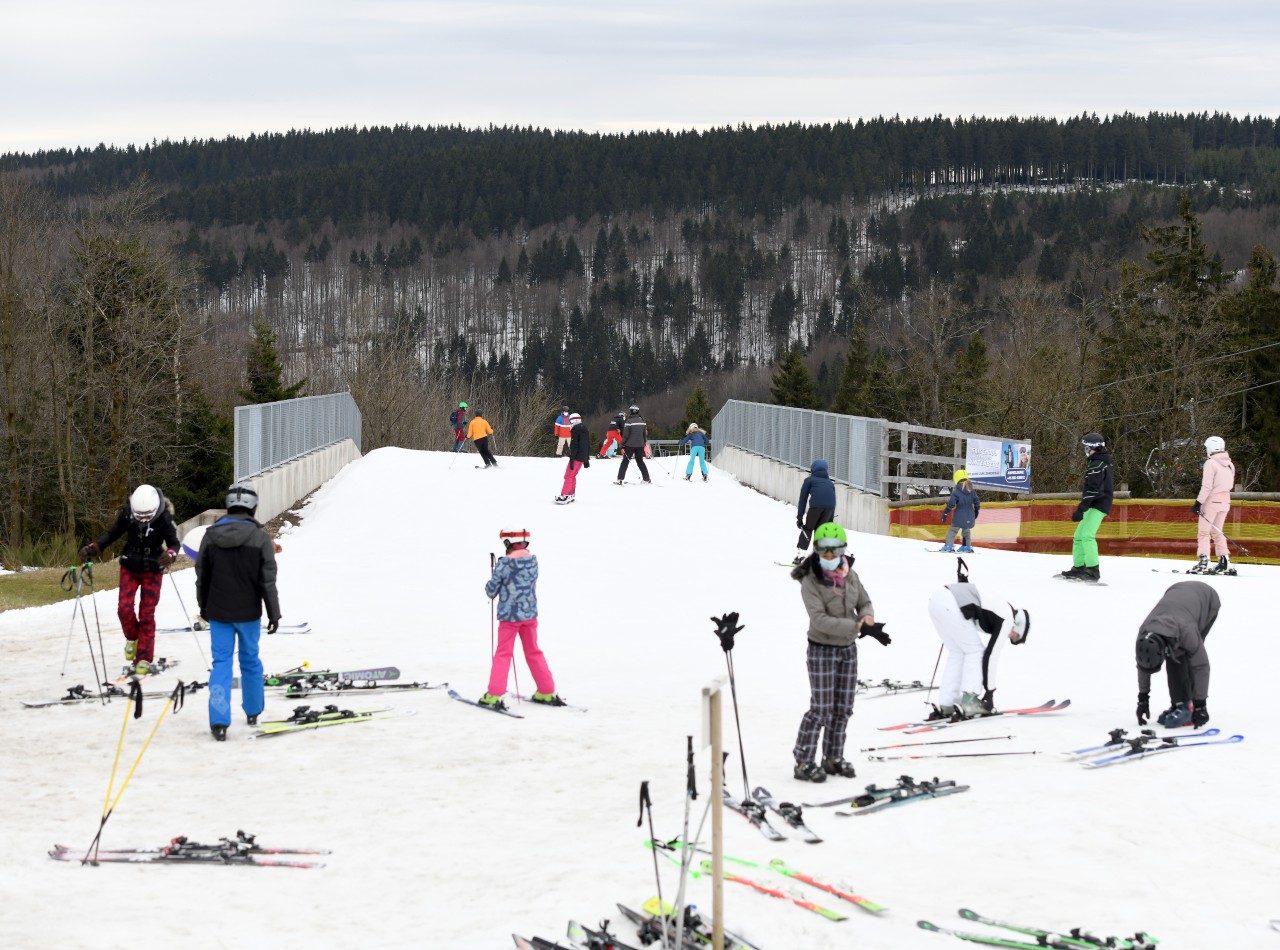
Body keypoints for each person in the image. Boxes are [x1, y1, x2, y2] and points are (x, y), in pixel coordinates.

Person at [790, 522, 888, 782]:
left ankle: (833, 757)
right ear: (817, 550)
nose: (830, 556)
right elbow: (819, 619)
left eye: (835, 550)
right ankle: (803, 761)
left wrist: (867, 617)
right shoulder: (809, 580)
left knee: (843, 707)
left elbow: (864, 601)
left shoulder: (850, 575)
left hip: (847, 650)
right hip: (821, 649)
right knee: (821, 709)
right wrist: (855, 626)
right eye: (824, 550)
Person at [195, 483, 281, 741]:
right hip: (249, 613)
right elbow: (268, 581)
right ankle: (253, 710)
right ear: (253, 508)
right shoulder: (261, 538)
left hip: (219, 612)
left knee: (221, 663)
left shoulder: (210, 536)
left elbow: (202, 577)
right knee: (250, 661)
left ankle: (219, 722)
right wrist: (273, 613)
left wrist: (203, 607)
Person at [79, 484, 180, 675]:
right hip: (130, 565)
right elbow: (112, 533)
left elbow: (174, 542)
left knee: (147, 613)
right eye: (139, 515)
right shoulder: (127, 513)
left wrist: (172, 554)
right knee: (124, 608)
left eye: (146, 516)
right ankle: (132, 637)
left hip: (153, 567)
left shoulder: (164, 518)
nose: (142, 519)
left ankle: (143, 658)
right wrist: (95, 547)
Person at [925, 558, 1031, 720]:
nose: (1010, 637)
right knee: (976, 651)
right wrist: (989, 693)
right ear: (1018, 625)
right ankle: (970, 701)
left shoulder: (1000, 607)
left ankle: (947, 703)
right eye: (1015, 636)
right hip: (951, 604)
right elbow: (991, 656)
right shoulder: (1007, 618)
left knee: (958, 652)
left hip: (937, 601)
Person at [481, 528, 563, 709]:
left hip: (510, 618)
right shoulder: (533, 561)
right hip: (530, 614)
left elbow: (491, 591)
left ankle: (494, 695)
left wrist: (496, 571)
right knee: (533, 651)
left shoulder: (505, 564)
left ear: (508, 543)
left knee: (503, 654)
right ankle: (547, 690)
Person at [1134, 580, 1217, 729]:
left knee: (1183, 656)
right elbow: (1143, 667)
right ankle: (1180, 703)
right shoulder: (1144, 633)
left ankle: (1188, 707)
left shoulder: (1187, 632)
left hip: (1207, 599)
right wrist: (1143, 699)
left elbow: (1201, 666)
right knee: (1175, 653)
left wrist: (1201, 706)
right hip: (1176, 592)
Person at [1060, 432, 1113, 582]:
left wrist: (1081, 509)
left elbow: (1093, 490)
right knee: (1078, 536)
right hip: (1094, 503)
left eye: (1087, 447)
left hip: (1099, 504)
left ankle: (1092, 570)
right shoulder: (1099, 462)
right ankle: (1079, 567)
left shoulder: (1098, 464)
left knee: (1087, 536)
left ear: (1094, 447)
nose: (1086, 451)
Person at [1190, 435, 1235, 575]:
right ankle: (1224, 561)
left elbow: (1207, 486)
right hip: (1225, 501)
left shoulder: (1210, 463)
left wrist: (1198, 502)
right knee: (1217, 531)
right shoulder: (1229, 464)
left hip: (1212, 501)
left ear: (1210, 448)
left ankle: (1204, 561)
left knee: (1204, 532)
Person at [792, 459, 837, 565]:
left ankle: (800, 556)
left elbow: (803, 499)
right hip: (829, 509)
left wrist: (799, 518)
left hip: (816, 508)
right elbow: (833, 501)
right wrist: (830, 520)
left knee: (807, 529)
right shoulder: (830, 483)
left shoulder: (809, 480)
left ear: (813, 469)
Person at [941, 469, 980, 553]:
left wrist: (945, 514)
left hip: (959, 516)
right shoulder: (972, 491)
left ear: (957, 479)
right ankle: (967, 547)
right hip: (970, 515)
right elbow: (977, 501)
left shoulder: (957, 491)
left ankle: (949, 546)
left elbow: (951, 504)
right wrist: (976, 511)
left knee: (953, 530)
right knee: (966, 530)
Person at [555, 412, 590, 504]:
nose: (570, 423)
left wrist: (571, 458)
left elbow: (574, 446)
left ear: (574, 420)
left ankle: (565, 495)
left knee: (568, 475)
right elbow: (587, 444)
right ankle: (571, 494)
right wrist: (586, 458)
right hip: (582, 457)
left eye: (570, 421)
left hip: (576, 457)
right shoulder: (584, 429)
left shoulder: (575, 430)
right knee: (573, 476)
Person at [615, 405, 651, 484]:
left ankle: (620, 479)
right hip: (640, 445)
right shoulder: (642, 422)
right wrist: (644, 442)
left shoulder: (628, 421)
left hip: (629, 445)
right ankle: (646, 478)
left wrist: (622, 444)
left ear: (631, 412)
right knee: (640, 461)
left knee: (625, 461)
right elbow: (644, 435)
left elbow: (625, 435)